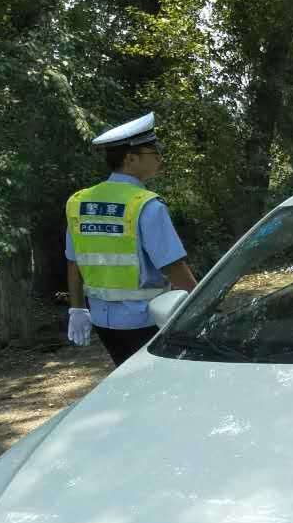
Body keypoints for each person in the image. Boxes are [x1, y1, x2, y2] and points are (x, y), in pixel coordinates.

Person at [66, 112, 198, 366]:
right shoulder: (146, 205)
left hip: (102, 321)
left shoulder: (79, 202)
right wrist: (202, 307)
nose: (160, 157)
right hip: (147, 319)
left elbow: (73, 262)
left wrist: (77, 308)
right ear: (131, 158)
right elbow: (174, 268)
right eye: (154, 152)